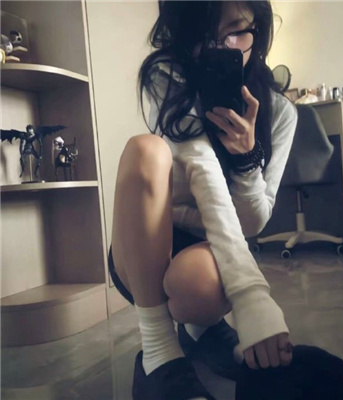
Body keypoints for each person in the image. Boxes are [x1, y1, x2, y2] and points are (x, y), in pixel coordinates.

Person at [110, 1, 298, 399]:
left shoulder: (281, 112)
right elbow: (201, 166)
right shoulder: (167, 77)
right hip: (142, 246)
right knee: (146, 149)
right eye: (204, 35)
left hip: (208, 251)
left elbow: (253, 223)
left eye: (236, 31)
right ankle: (158, 351)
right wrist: (250, 294)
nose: (220, 47)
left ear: (258, 29)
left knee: (200, 285)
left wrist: (247, 160)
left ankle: (202, 330)